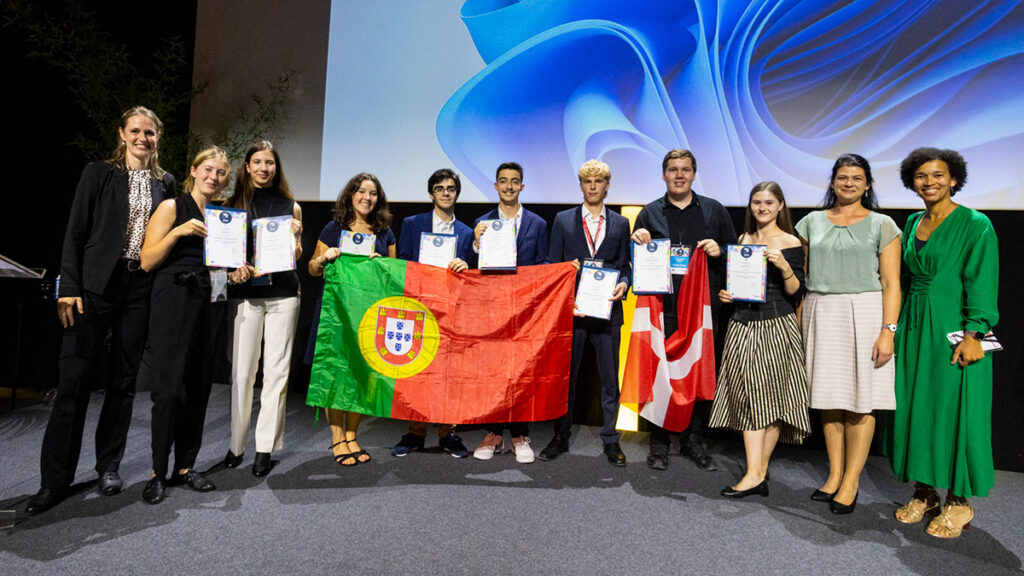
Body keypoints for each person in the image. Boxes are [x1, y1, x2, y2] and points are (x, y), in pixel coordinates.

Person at [25, 107, 176, 515]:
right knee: (73, 383)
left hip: (139, 290)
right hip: (93, 290)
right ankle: (54, 481)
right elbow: (75, 231)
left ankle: (108, 466)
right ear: (122, 134)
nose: (143, 138)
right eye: (135, 131)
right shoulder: (98, 173)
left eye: (150, 132)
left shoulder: (167, 183)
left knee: (123, 383)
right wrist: (69, 286)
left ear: (158, 137)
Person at [888, 148, 998, 538]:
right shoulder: (913, 220)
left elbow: (981, 281)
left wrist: (974, 334)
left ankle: (959, 501)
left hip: (955, 330)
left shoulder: (974, 223)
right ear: (911, 181)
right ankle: (925, 492)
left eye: (938, 175)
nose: (929, 182)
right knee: (916, 409)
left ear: (954, 179)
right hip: (915, 329)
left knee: (955, 414)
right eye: (921, 176)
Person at [795, 153, 901, 514]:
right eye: (842, 177)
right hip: (822, 309)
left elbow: (891, 283)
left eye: (857, 178)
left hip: (866, 310)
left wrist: (888, 331)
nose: (849, 183)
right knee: (830, 397)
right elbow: (802, 275)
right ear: (832, 182)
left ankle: (852, 480)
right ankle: (834, 474)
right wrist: (798, 318)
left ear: (867, 184)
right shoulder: (810, 222)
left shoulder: (882, 224)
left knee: (861, 398)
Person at [138, 146, 236, 504]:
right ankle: (156, 472)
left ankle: (185, 466)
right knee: (168, 388)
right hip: (174, 299)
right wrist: (178, 232)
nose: (214, 177)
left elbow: (227, 264)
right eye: (208, 169)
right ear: (193, 171)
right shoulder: (171, 207)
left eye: (221, 173)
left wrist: (238, 269)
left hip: (211, 300)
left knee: (199, 386)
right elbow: (147, 260)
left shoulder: (225, 217)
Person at [630, 149, 737, 471]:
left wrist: (721, 252)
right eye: (673, 169)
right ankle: (658, 445)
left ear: (694, 174)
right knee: (659, 376)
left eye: (686, 170)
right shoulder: (649, 213)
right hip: (662, 309)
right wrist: (637, 242)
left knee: (698, 375)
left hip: (703, 311)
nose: (679, 175)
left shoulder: (714, 211)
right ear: (664, 175)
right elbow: (635, 263)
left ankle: (694, 442)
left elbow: (736, 256)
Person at [709, 182, 810, 498]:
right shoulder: (743, 240)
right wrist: (728, 295)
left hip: (776, 326)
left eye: (768, 202)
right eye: (756, 202)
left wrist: (782, 265)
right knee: (748, 397)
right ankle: (756, 473)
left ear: (781, 205)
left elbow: (796, 291)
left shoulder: (791, 241)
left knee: (772, 398)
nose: (762, 207)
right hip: (742, 324)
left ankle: (756, 473)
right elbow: (739, 284)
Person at [539, 159, 630, 467]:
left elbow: (625, 267)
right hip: (573, 313)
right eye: (587, 182)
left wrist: (624, 284)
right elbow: (552, 266)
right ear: (580, 186)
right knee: (568, 380)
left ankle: (611, 440)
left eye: (599, 181)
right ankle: (560, 436)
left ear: (607, 185)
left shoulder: (620, 223)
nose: (593, 187)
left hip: (607, 315)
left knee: (609, 382)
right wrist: (566, 274)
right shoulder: (563, 220)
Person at [222, 141, 303, 477]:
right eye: (257, 162)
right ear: (247, 166)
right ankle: (236, 444)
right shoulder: (230, 206)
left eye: (269, 162)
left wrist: (296, 239)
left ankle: (264, 447)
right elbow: (223, 258)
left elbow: (296, 255)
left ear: (276, 167)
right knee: (241, 374)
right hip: (245, 296)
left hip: (284, 295)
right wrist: (232, 269)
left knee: (276, 373)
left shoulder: (291, 206)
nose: (264, 168)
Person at [307, 173, 396, 466]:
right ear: (351, 194)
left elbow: (394, 276)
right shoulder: (334, 228)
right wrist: (324, 258)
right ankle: (337, 438)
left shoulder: (385, 233)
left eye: (373, 194)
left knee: (359, 374)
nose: (367, 198)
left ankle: (353, 435)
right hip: (336, 313)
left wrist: (380, 264)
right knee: (336, 372)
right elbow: (312, 269)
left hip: (368, 314)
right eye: (361, 191)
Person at [390, 168, 473, 458]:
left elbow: (473, 274)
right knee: (417, 373)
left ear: (457, 194)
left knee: (448, 375)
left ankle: (447, 433)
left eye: (451, 188)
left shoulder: (467, 232)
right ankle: (415, 433)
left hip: (451, 312)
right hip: (418, 307)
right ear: (431, 193)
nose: (446, 193)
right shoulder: (413, 224)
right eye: (440, 188)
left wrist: (466, 265)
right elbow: (402, 262)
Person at [471, 161, 548, 463]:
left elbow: (542, 266)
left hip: (524, 309)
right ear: (495, 186)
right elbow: (473, 271)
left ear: (522, 186)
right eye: (503, 181)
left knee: (520, 372)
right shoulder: (482, 223)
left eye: (515, 181)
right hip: (492, 309)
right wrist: (477, 242)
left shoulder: (538, 224)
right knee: (492, 372)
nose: (509, 186)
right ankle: (493, 432)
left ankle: (519, 434)